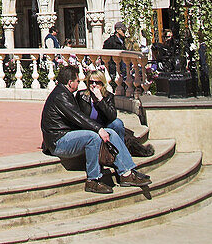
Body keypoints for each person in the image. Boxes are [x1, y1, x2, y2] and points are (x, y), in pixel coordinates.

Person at [40, 64, 151, 194]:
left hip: (68, 135)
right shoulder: (61, 96)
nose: (79, 83)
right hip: (58, 141)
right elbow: (79, 117)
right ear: (70, 82)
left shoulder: (65, 93)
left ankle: (126, 173)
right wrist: (99, 129)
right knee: (93, 138)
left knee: (112, 132)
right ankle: (93, 180)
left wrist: (101, 129)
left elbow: (104, 117)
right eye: (77, 80)